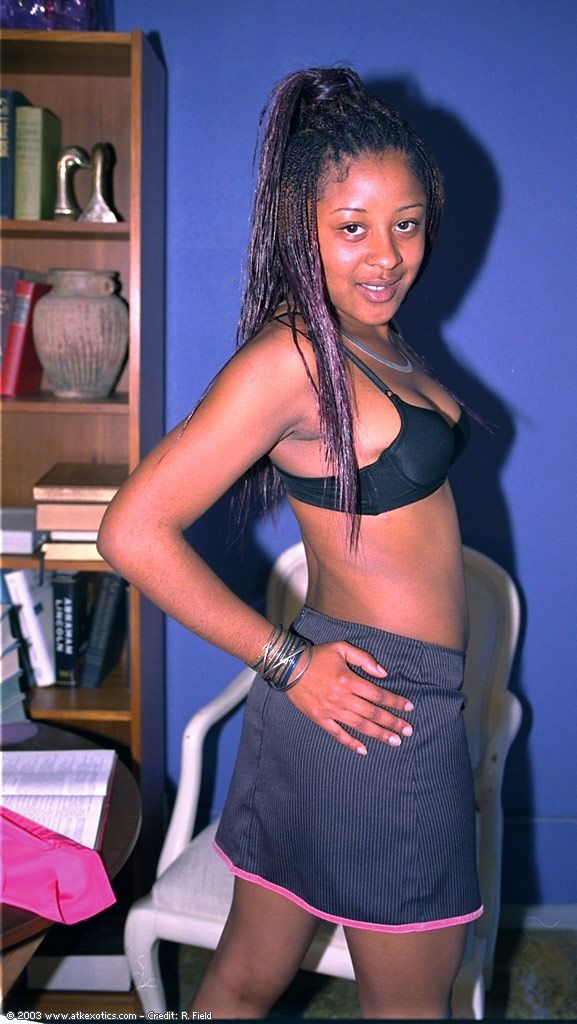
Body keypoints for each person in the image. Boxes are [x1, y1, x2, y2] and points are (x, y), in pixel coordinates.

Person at [98, 66, 482, 1020]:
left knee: (244, 977)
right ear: (300, 228)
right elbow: (132, 531)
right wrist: (289, 664)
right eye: (353, 227)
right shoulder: (293, 357)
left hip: (365, 698)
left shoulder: (374, 335)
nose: (387, 255)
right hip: (372, 707)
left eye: (406, 223)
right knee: (411, 1009)